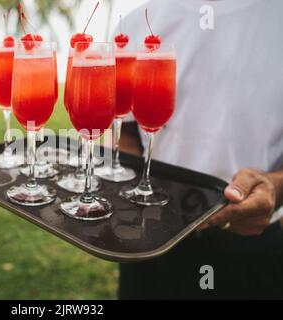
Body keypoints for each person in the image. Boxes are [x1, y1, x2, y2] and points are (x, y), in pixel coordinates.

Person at [118, 0, 283, 299]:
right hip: (149, 236)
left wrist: (275, 186)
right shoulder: (136, 21)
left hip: (250, 243)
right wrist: (123, 189)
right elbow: (127, 130)